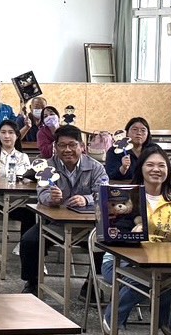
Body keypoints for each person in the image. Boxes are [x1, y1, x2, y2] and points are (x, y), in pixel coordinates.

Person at [101, 145, 171, 334]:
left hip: (157, 262)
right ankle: (115, 316)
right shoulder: (127, 197)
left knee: (165, 276)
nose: (156, 169)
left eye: (161, 165)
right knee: (153, 278)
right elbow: (113, 230)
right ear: (141, 168)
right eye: (150, 165)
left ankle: (163, 319)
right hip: (119, 262)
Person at [19, 124, 107, 294]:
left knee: (104, 241)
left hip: (88, 227)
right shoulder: (47, 167)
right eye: (62, 145)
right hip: (54, 225)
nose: (67, 150)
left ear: (82, 146)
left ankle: (92, 284)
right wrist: (51, 199)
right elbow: (42, 193)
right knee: (29, 241)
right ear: (55, 147)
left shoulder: (96, 167)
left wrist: (86, 199)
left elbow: (103, 194)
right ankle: (32, 282)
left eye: (72, 145)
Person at [106, 117, 153, 183]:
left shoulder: (153, 150)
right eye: (135, 129)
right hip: (122, 187)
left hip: (148, 187)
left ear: (148, 134)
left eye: (143, 130)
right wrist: (123, 168)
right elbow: (110, 175)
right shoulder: (115, 150)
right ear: (127, 132)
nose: (139, 133)